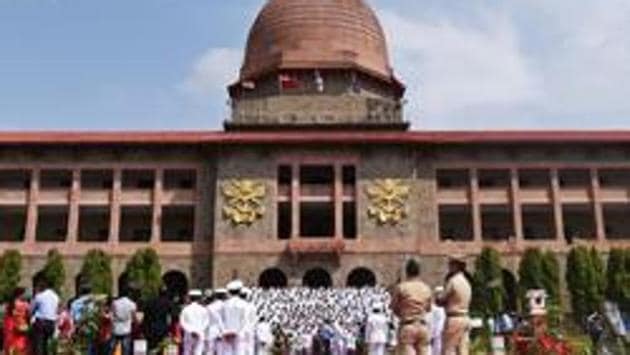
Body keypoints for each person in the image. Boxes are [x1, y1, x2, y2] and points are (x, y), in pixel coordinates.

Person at [390, 259, 432, 355]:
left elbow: (393, 307)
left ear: (406, 271)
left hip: (408, 325)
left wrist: (403, 314)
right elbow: (429, 308)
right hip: (423, 325)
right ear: (419, 271)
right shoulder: (426, 288)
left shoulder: (402, 287)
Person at [437, 254, 472, 355]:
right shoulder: (466, 283)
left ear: (456, 265)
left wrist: (437, 297)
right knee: (463, 350)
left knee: (448, 350)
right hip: (465, 318)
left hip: (454, 318)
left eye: (451, 264)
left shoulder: (453, 281)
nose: (449, 266)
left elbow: (442, 299)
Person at [31, 279, 60, 355]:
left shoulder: (39, 296)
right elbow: (56, 309)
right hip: (51, 323)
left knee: (39, 344)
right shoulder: (55, 296)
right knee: (47, 345)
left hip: (41, 322)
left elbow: (32, 309)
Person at [221, 280, 248, 355]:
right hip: (239, 334)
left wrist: (225, 331)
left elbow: (221, 320)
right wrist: (236, 332)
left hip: (226, 334)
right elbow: (244, 320)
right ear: (239, 291)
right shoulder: (244, 304)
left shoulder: (224, 304)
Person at [143, 287, 174, 352]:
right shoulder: (168, 303)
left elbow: (146, 314)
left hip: (150, 327)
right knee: (162, 347)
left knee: (151, 347)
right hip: (163, 328)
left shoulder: (150, 302)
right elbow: (171, 316)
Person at [180, 290, 209, 355]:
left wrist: (190, 331)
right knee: (198, 352)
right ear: (199, 298)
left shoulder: (185, 309)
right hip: (200, 334)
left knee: (187, 352)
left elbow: (182, 322)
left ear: (190, 298)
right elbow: (206, 322)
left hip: (188, 334)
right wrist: (199, 330)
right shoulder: (203, 309)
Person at [110, 287, 138, 355]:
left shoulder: (115, 303)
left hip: (116, 328)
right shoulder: (132, 304)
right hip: (126, 329)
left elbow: (112, 315)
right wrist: (137, 323)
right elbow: (134, 317)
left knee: (112, 349)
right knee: (125, 350)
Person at [3, 288, 30, 355]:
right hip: (13, 335)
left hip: (22, 339)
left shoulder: (24, 313)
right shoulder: (10, 314)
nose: (25, 304)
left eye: (27, 301)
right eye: (22, 300)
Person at [429, 288, 446, 355]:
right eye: (438, 294)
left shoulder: (448, 308)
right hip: (436, 335)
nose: (440, 296)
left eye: (441, 294)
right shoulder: (432, 308)